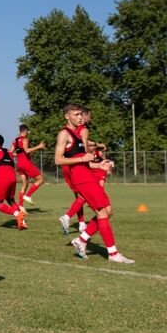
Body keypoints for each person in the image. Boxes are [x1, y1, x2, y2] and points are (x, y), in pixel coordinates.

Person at [55, 103, 133, 264]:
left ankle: (81, 240)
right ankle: (113, 253)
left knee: (108, 211)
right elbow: (58, 159)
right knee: (102, 213)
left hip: (88, 175)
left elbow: (84, 162)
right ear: (67, 116)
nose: (80, 117)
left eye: (80, 115)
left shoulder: (78, 135)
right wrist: (83, 158)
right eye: (76, 114)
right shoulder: (64, 133)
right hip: (81, 179)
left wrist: (99, 165)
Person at [58, 108, 89, 235]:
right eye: (79, 115)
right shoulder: (84, 130)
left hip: (68, 166)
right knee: (87, 195)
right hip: (77, 166)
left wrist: (96, 144)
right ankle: (67, 216)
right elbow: (84, 149)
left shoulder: (74, 131)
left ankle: (81, 223)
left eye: (82, 115)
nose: (82, 118)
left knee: (80, 196)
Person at [0, 134, 27, 229]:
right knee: (10, 200)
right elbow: (11, 165)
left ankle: (17, 214)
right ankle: (22, 221)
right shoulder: (9, 152)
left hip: (2, 179)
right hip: (12, 178)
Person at [11, 125, 46, 206]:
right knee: (40, 179)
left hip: (19, 164)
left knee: (25, 184)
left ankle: (20, 206)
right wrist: (39, 146)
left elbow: (10, 152)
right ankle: (28, 195)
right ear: (25, 130)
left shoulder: (15, 140)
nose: (28, 133)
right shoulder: (25, 139)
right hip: (25, 163)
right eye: (28, 131)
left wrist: (19, 154)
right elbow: (26, 151)